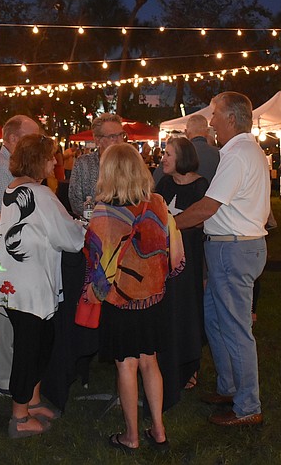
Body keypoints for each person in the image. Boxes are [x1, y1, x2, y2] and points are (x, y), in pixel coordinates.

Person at [174, 91, 270, 427]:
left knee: (236, 329)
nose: (211, 121)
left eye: (215, 114)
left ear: (230, 118)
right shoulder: (242, 151)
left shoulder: (238, 154)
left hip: (233, 250)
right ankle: (229, 388)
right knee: (215, 319)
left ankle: (247, 406)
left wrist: (166, 224)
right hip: (231, 248)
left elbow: (207, 207)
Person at [84, 143, 183, 451]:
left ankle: (131, 436)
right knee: (150, 362)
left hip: (122, 299)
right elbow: (175, 251)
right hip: (153, 296)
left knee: (126, 365)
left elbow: (100, 266)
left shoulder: (106, 212)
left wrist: (92, 296)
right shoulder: (157, 202)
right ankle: (159, 430)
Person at [0, 134, 86, 438]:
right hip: (30, 286)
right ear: (37, 160)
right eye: (51, 157)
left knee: (40, 342)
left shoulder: (13, 189)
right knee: (31, 348)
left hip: (15, 281)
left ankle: (31, 401)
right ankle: (19, 418)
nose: (56, 161)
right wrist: (83, 225)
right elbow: (69, 238)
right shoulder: (39, 194)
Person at [0, 115, 41, 397]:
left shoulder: (14, 167)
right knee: (3, 313)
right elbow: (1, 213)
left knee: (11, 312)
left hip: (11, 249)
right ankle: (1, 379)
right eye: (33, 137)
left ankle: (11, 375)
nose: (37, 143)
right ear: (14, 139)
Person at [153, 136, 208, 409]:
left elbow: (201, 223)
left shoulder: (201, 186)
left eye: (169, 154)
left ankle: (190, 365)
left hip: (191, 262)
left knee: (190, 309)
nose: (163, 158)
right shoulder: (163, 184)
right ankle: (167, 361)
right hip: (164, 262)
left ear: (183, 158)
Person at [68, 114, 127, 218]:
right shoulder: (83, 164)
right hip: (91, 226)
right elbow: (75, 203)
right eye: (112, 136)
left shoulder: (131, 164)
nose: (119, 140)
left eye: (121, 135)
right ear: (98, 140)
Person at [154, 113, 221, 185]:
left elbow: (156, 178)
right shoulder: (220, 154)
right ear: (207, 132)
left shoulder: (178, 152)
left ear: (186, 132)